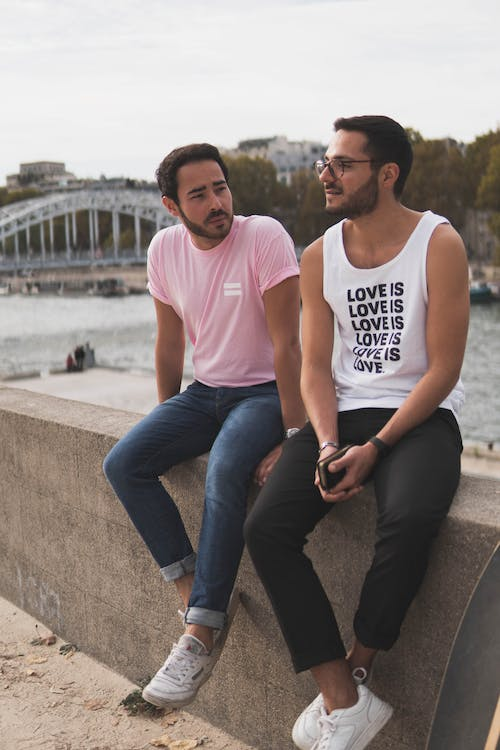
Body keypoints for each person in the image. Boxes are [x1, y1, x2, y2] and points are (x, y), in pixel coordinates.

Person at [244, 115, 469, 750]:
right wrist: (325, 443)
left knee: (410, 517)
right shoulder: (318, 255)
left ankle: (361, 664)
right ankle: (342, 696)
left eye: (343, 164)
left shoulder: (438, 242)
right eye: (325, 162)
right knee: (265, 528)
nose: (326, 174)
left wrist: (378, 448)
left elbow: (444, 368)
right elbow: (314, 366)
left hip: (418, 416)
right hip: (339, 418)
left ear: (387, 174)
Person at [103, 143, 305, 710]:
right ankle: (197, 597)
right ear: (172, 205)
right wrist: (167, 419)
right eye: (200, 194)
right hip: (205, 393)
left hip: (265, 393)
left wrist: (296, 439)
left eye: (221, 187)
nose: (218, 202)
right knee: (123, 463)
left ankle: (200, 635)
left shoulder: (263, 236)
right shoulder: (164, 249)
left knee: (225, 470)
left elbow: (290, 345)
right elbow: (169, 342)